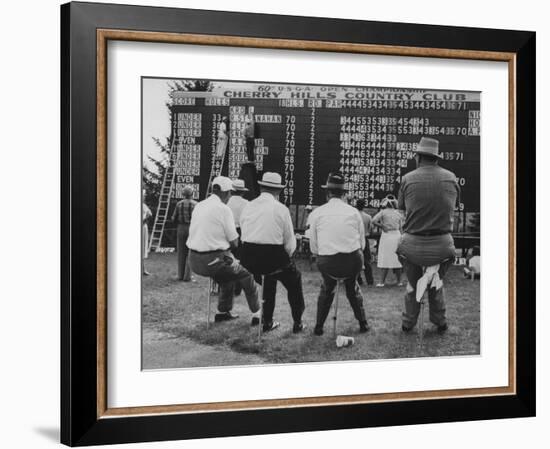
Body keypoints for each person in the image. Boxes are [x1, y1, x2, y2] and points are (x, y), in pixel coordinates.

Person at [396, 137, 460, 334]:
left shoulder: (407, 179)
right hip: (442, 246)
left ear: (418, 157)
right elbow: (454, 207)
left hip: (412, 245)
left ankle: (408, 323)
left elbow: (402, 208)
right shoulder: (451, 178)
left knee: (414, 284)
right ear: (436, 158)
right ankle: (440, 321)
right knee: (435, 283)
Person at [187, 176, 260, 323]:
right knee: (246, 273)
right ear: (226, 193)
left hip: (193, 260)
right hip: (214, 260)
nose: (230, 197)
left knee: (228, 276)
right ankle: (258, 313)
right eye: (230, 194)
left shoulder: (199, 205)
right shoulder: (224, 209)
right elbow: (234, 242)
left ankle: (223, 311)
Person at [240, 172, 306, 333]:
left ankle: (267, 322)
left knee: (269, 280)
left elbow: (244, 232)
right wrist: (285, 258)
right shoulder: (281, 209)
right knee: (294, 281)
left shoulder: (248, 206)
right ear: (278, 191)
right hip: (273, 257)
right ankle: (297, 322)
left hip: (249, 258)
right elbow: (290, 243)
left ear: (262, 187)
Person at [308, 172, 370, 336]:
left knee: (327, 288)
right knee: (352, 288)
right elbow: (362, 243)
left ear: (327, 193)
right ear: (344, 194)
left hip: (327, 262)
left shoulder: (317, 213)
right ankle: (363, 323)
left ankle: (319, 326)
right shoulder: (354, 212)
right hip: (352, 260)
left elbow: (314, 246)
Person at [372, 195, 404, 287]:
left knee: (384, 258)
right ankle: (399, 282)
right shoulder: (398, 213)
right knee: (397, 258)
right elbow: (401, 227)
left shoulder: (383, 212)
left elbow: (373, 220)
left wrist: (382, 226)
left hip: (387, 235)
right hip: (397, 235)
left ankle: (382, 282)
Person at [227, 179, 249, 295]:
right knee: (240, 260)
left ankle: (225, 286)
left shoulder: (226, 202)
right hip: (241, 232)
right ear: (243, 192)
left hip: (228, 231)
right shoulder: (247, 204)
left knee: (226, 258)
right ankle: (237, 288)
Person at [171, 185, 197, 281]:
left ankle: (180, 275)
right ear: (192, 194)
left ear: (183, 194)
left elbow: (173, 218)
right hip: (191, 228)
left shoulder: (179, 204)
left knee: (181, 252)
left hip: (181, 227)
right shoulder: (196, 204)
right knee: (190, 252)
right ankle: (187, 276)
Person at [355, 198, 374, 286]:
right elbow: (370, 229)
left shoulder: (353, 216)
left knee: (355, 260)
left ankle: (358, 280)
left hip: (355, 239)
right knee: (367, 261)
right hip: (365, 239)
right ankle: (370, 281)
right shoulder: (368, 217)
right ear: (364, 206)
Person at [142, 189, 152, 276]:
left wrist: (146, 218)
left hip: (144, 227)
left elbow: (150, 214)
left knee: (143, 246)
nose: (144, 197)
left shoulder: (144, 205)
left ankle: (143, 269)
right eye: (143, 195)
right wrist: (145, 219)